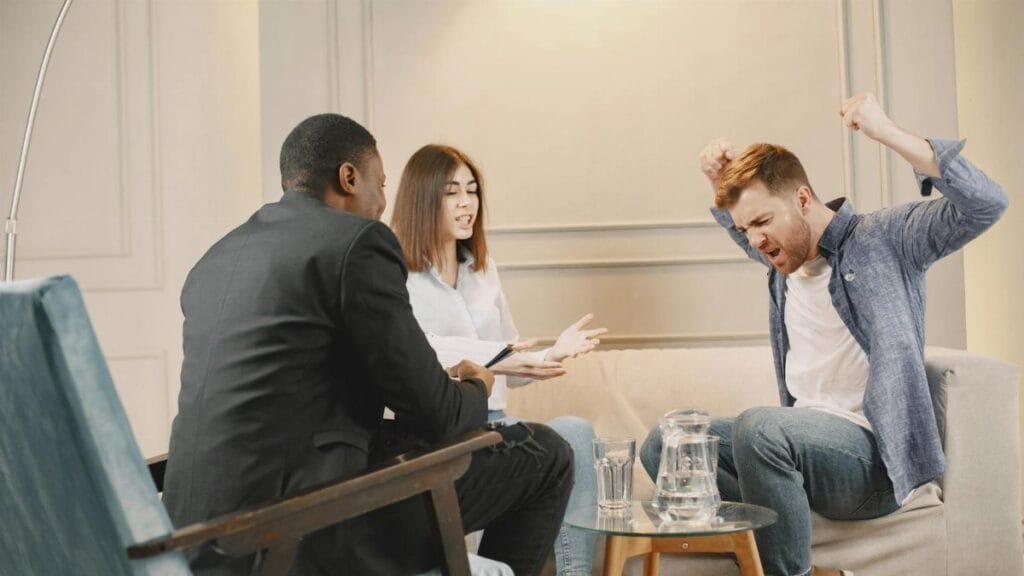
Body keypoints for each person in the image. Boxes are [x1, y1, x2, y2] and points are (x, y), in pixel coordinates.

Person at [162, 113, 574, 576]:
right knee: (548, 453)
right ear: (348, 177)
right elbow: (437, 413)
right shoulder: (358, 242)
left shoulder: (217, 257)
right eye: (379, 184)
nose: (382, 203)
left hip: (197, 535)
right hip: (302, 528)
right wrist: (478, 384)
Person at [639, 93, 1007, 576]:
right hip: (806, 451)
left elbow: (986, 204)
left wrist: (889, 134)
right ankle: (806, 566)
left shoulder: (885, 239)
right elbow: (753, 230)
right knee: (666, 444)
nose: (754, 240)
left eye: (762, 222)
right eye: (743, 228)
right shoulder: (783, 258)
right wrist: (719, 184)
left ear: (803, 200)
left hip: (873, 461)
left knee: (761, 427)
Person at [389, 144, 607, 576]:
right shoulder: (398, 275)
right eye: (452, 192)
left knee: (577, 434)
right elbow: (417, 352)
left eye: (472, 191)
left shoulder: (484, 270)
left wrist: (552, 353)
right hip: (442, 431)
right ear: (423, 198)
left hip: (496, 422)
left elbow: (509, 360)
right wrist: (495, 359)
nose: (467, 203)